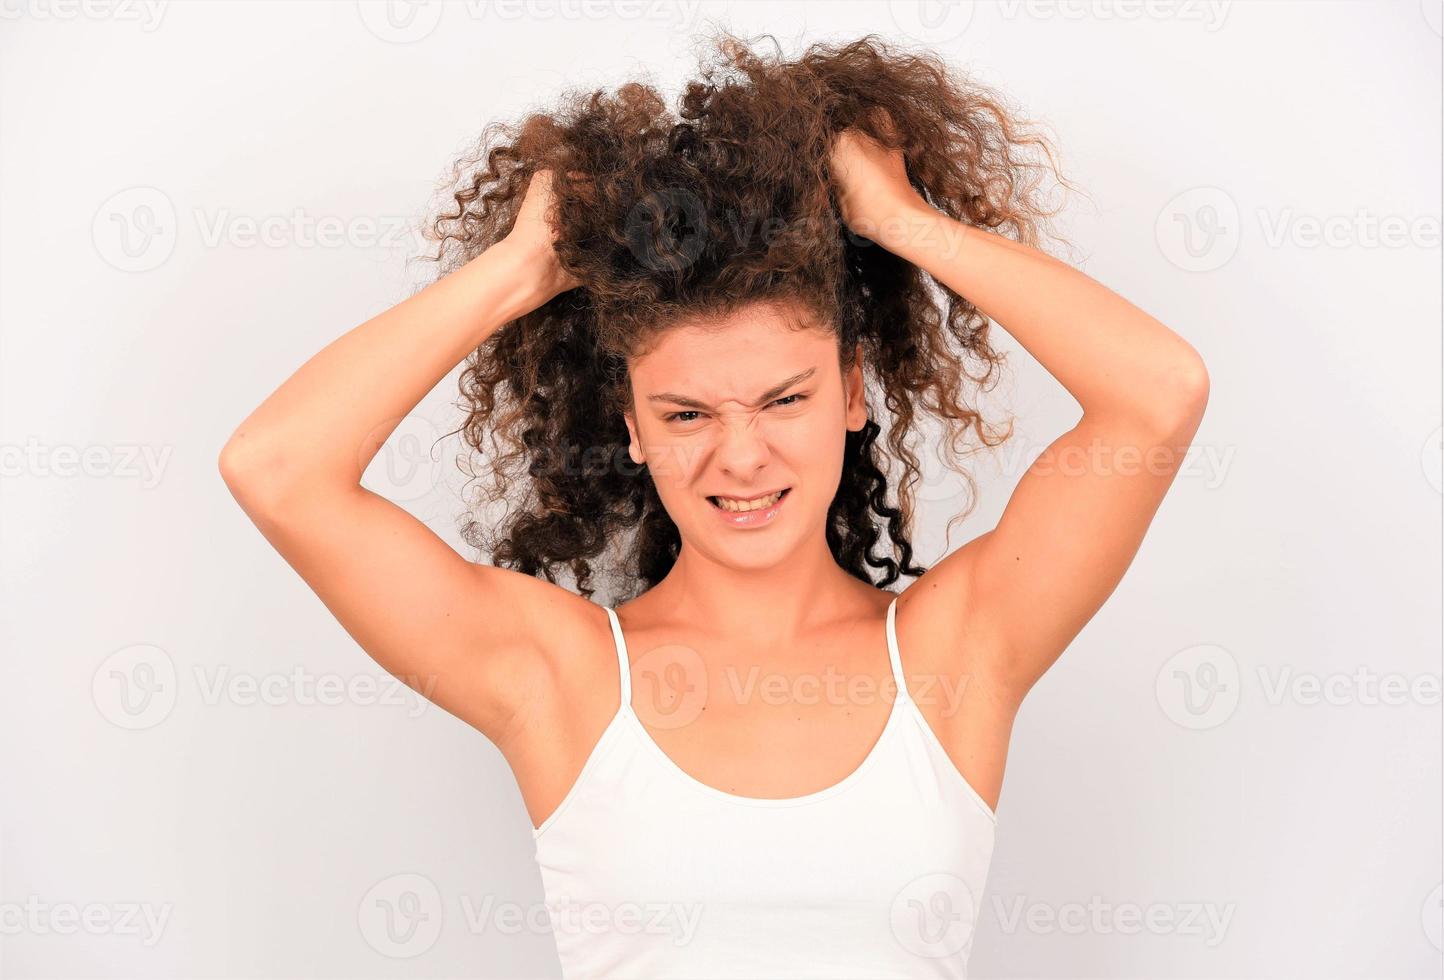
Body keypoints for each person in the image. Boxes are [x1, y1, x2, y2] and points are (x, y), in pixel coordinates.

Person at [218, 32, 1208, 980]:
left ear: (854, 391)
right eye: (687, 411)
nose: (741, 454)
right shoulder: (557, 676)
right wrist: (516, 272)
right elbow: (277, 468)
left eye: (784, 398)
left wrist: (906, 225)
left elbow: (1157, 393)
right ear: (632, 424)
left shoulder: (958, 650)